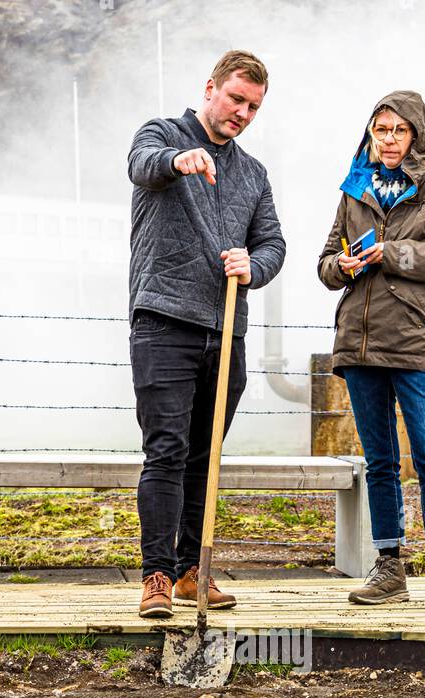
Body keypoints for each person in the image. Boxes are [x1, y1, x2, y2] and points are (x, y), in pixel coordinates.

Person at [127, 50, 286, 618]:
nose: (242, 113)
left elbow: (274, 244)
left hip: (226, 331)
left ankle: (196, 571)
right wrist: (179, 160)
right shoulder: (162, 134)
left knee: (205, 457)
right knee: (165, 451)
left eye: (253, 106)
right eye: (236, 99)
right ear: (211, 88)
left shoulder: (254, 173)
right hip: (163, 321)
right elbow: (142, 164)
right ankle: (157, 577)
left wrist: (254, 265)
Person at [317, 90, 425, 611]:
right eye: (381, 129)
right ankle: (390, 568)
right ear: (370, 133)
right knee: (380, 461)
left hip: (416, 344)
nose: (388, 140)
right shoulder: (353, 190)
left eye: (399, 130)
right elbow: (324, 262)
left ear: (416, 135)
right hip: (360, 345)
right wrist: (340, 268)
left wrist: (394, 252)